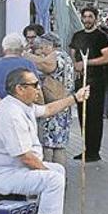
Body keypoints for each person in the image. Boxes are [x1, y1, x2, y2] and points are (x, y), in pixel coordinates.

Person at [0, 67, 90, 214]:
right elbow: (26, 157)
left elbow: (47, 110)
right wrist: (46, 173)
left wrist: (74, 98)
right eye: (34, 85)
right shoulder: (10, 114)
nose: (39, 88)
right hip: (2, 175)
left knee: (58, 170)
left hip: (14, 169)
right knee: (54, 179)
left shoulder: (21, 105)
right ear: (19, 88)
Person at [69, 7, 108, 162]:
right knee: (82, 115)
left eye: (90, 16)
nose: (87, 19)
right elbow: (72, 52)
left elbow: (107, 57)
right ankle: (87, 148)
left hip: (97, 81)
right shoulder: (78, 35)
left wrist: (87, 63)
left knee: (94, 116)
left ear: (95, 18)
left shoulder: (101, 36)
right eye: (85, 16)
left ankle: (94, 150)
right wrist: (76, 65)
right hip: (81, 81)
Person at [33, 33, 75, 167]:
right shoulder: (66, 56)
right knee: (59, 145)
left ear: (49, 45)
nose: (41, 50)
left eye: (43, 47)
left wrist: (26, 56)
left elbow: (46, 66)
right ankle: (61, 177)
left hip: (53, 106)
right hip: (65, 104)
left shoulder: (56, 56)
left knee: (48, 145)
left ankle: (49, 177)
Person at [0, 33, 40, 105]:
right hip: (24, 108)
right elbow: (36, 87)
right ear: (21, 48)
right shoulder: (28, 64)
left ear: (3, 49)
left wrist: (1, 103)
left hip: (1, 110)